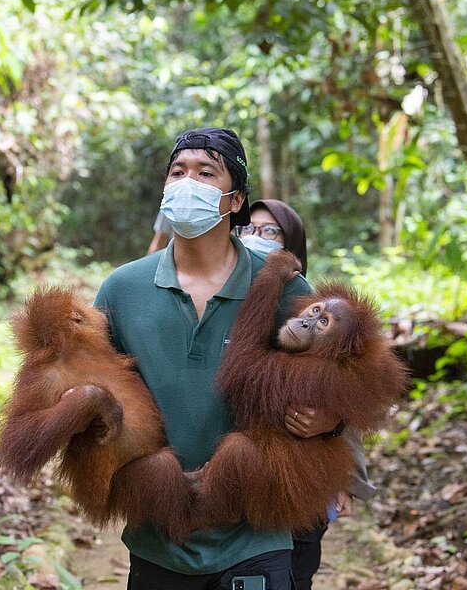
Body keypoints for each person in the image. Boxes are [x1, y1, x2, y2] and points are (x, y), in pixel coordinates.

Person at [94, 128, 314, 589]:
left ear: (235, 201)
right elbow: (90, 385)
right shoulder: (123, 289)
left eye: (205, 172)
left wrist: (326, 422)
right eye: (177, 172)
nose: (186, 183)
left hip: (256, 533)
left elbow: (337, 380)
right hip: (158, 536)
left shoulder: (281, 286)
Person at [235, 199, 378, 590]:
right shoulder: (224, 290)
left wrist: (341, 459)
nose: (255, 238)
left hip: (301, 490)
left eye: (270, 232)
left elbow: (354, 394)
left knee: (296, 568)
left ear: (292, 247)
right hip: (247, 477)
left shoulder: (308, 304)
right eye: (248, 229)